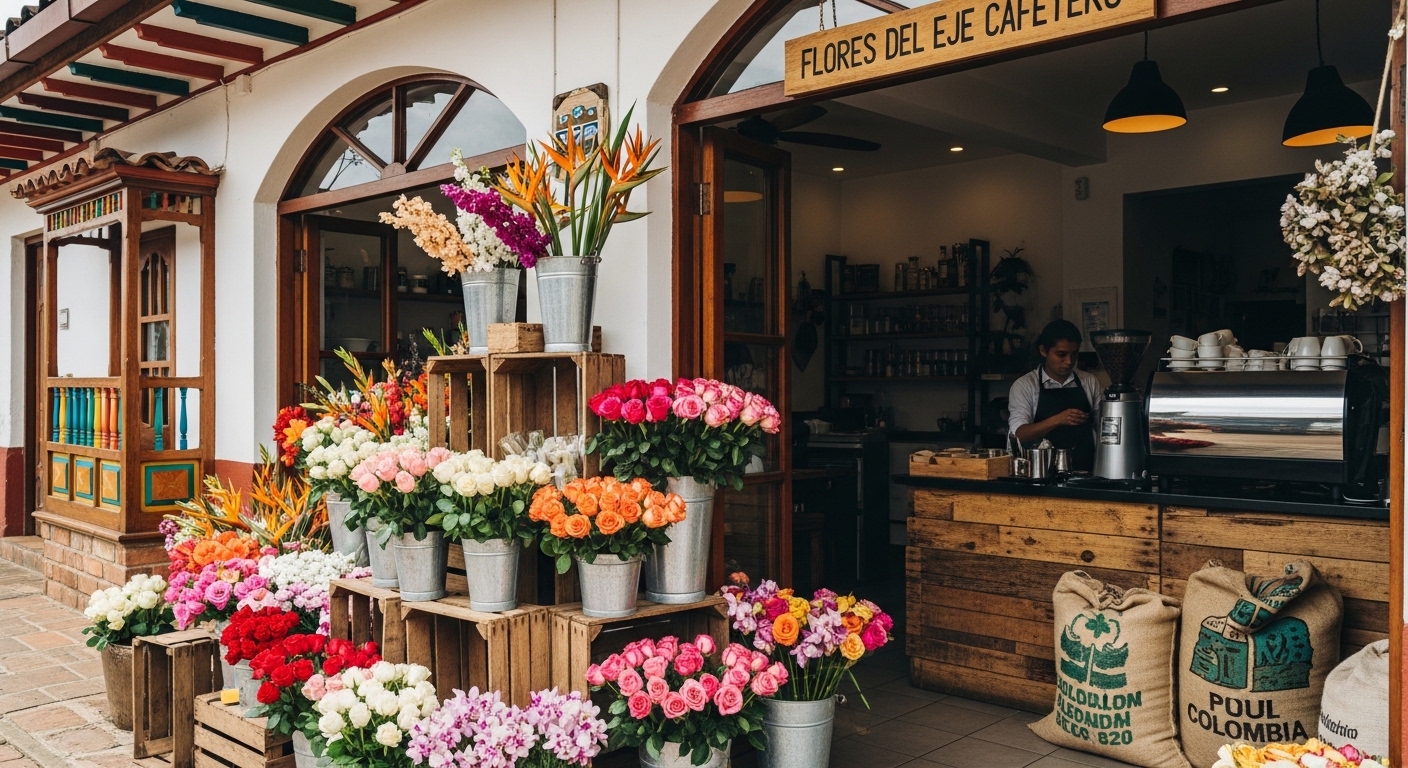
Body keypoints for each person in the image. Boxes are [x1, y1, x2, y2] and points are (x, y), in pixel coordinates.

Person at [1007, 319, 1101, 471]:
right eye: (1061, 354)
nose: (1069, 361)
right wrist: (1058, 420)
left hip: (1086, 472)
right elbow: (1019, 434)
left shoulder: (1089, 382)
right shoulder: (1025, 386)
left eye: (1074, 354)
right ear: (1043, 351)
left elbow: (1103, 427)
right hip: (1040, 472)